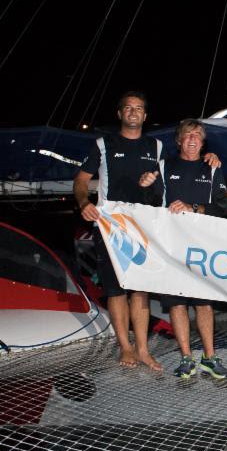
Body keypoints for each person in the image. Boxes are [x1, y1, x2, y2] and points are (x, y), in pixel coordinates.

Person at [74, 91, 165, 370]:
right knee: (116, 290)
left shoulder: (157, 146)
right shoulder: (103, 144)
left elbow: (166, 183)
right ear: (120, 114)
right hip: (109, 223)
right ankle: (125, 348)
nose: (133, 112)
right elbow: (81, 180)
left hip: (142, 225)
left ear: (145, 116)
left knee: (140, 290)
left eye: (139, 108)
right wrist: (83, 202)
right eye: (128, 108)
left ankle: (143, 349)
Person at [138, 119, 227, 379]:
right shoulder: (165, 166)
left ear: (203, 142)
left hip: (203, 247)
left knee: (204, 303)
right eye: (187, 135)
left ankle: (210, 357)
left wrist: (193, 207)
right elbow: (151, 203)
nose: (192, 139)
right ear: (179, 140)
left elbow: (222, 209)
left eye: (197, 136)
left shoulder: (213, 167)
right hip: (172, 247)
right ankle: (186, 357)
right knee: (177, 303)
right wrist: (145, 187)